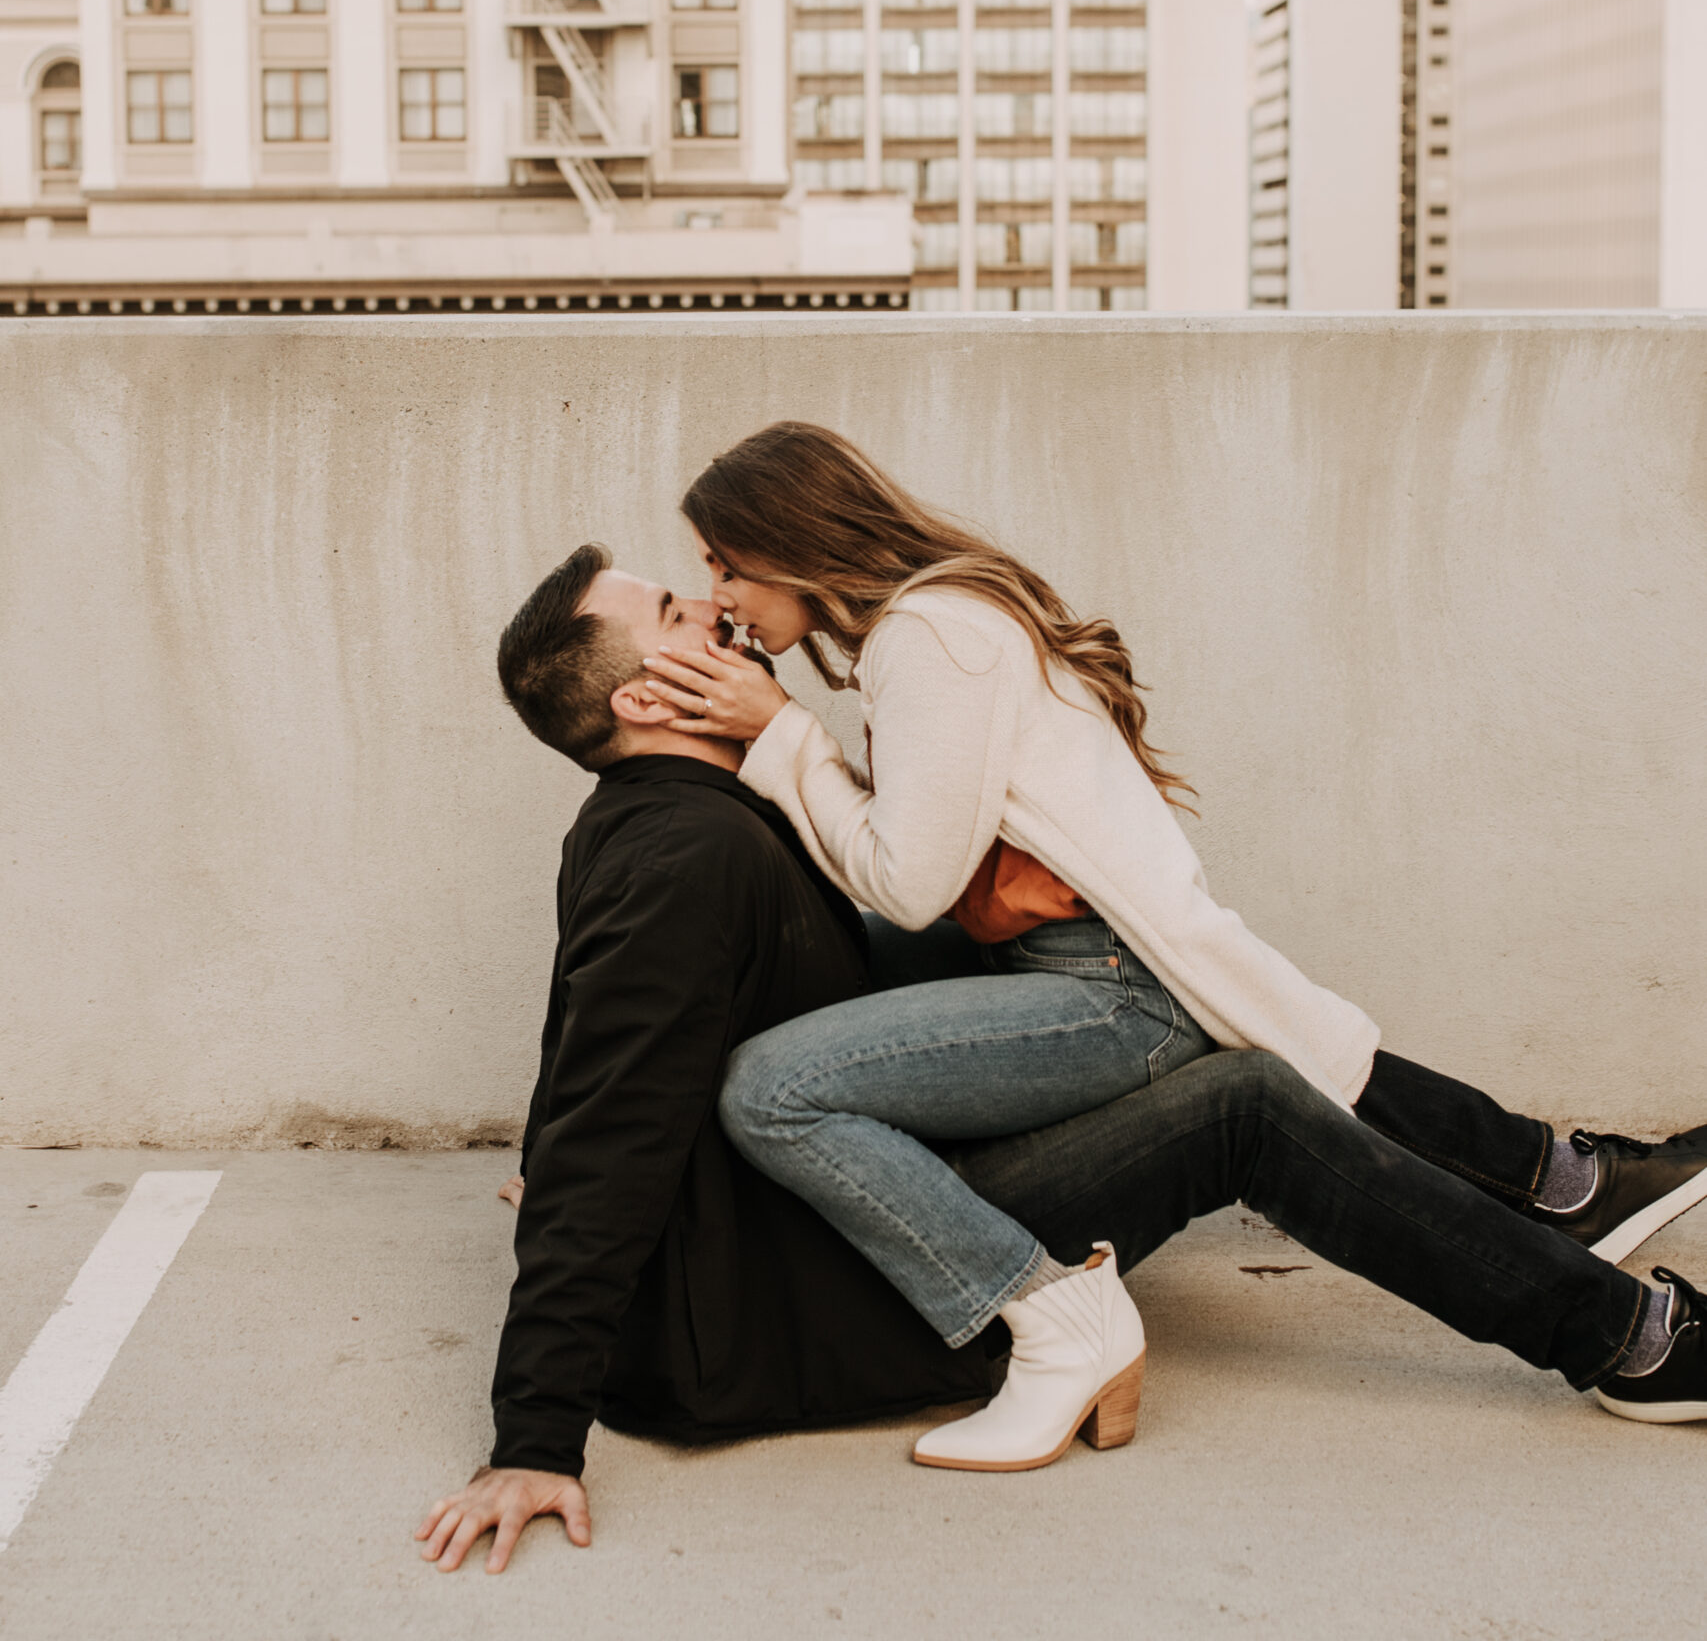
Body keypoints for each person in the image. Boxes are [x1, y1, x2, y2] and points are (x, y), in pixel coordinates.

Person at [418, 542, 1706, 1574]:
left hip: (869, 1202)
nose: (725, 616)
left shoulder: (681, 815)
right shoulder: (682, 853)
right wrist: (535, 1435)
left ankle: (1564, 1184)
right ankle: (1622, 1334)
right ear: (644, 700)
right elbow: (609, 1118)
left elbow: (593, 1036)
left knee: (1179, 997)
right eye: (685, 619)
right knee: (1245, 1101)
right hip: (852, 1281)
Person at [632, 422, 1707, 1471]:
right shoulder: (929, 628)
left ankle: (1056, 1312)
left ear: (789, 541)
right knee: (822, 958)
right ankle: (1575, 1198)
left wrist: (782, 732)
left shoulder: (931, 637)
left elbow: (907, 885)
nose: (719, 591)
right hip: (1069, 960)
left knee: (777, 1082)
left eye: (724, 562)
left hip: (1107, 988)